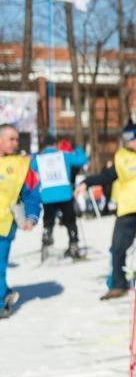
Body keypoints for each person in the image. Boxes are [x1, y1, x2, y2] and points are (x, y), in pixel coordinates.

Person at [77, 122, 136, 300]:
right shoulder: (121, 157)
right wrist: (87, 182)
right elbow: (107, 176)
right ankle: (118, 284)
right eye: (129, 140)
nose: (133, 143)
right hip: (128, 208)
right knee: (117, 248)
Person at [0, 124, 40, 318]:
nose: (16, 143)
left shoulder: (22, 165)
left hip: (4, 224)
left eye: (17, 139)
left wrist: (31, 217)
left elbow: (31, 194)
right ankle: (5, 293)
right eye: (11, 139)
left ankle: (1, 305)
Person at [31, 134, 88, 259]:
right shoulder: (63, 155)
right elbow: (82, 160)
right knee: (70, 221)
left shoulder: (39, 159)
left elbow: (30, 167)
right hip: (65, 194)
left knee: (48, 221)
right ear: (55, 145)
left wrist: (35, 155)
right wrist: (77, 148)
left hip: (47, 195)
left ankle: (46, 241)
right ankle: (73, 244)